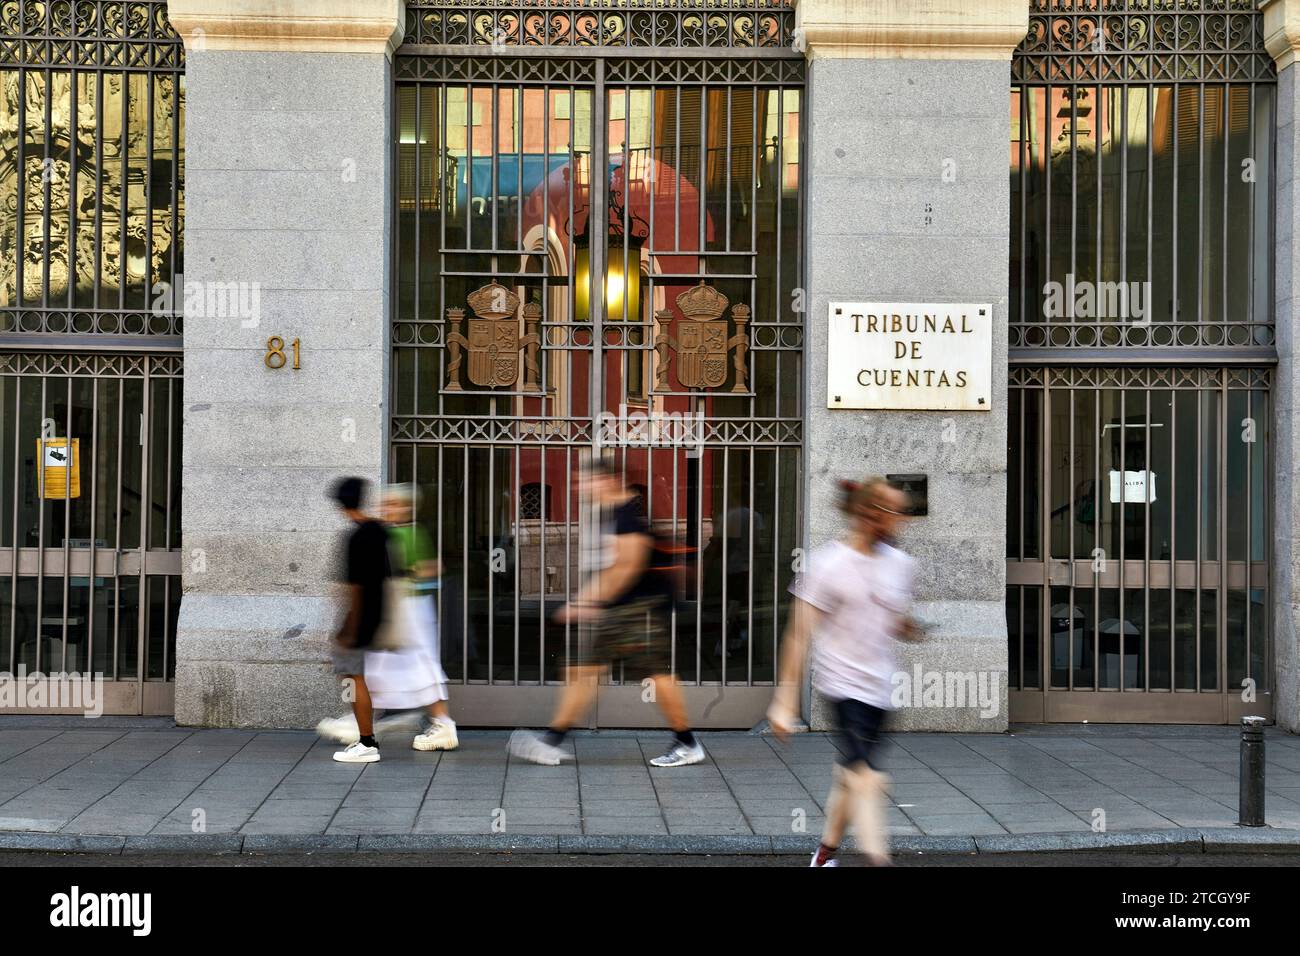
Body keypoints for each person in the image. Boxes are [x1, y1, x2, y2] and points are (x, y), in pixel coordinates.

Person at [508, 457, 705, 768]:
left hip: (636, 610)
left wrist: (584, 603)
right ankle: (553, 740)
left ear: (608, 481)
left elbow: (625, 567)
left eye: (585, 481)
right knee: (583, 672)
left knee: (654, 675)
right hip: (624, 609)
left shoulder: (626, 516)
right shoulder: (615, 513)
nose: (580, 487)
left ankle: (687, 741)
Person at [767, 476, 920, 867]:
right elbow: (799, 635)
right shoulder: (826, 564)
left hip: (880, 690)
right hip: (842, 686)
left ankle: (824, 853)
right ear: (871, 516)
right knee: (868, 778)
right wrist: (783, 703)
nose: (902, 521)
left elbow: (891, 616)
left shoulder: (902, 565)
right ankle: (877, 856)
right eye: (896, 513)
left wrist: (906, 627)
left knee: (850, 777)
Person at [317, 484, 459, 752]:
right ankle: (367, 721)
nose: (387, 508)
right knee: (380, 667)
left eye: (394, 504)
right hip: (400, 607)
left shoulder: (409, 532)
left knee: (418, 665)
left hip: (411, 609)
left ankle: (441, 723)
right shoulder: (386, 530)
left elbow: (434, 567)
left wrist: (409, 571)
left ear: (408, 507)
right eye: (386, 503)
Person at [321, 476, 389, 764]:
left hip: (360, 619)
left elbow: (355, 587)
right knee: (357, 677)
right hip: (378, 614)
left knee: (354, 677)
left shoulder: (356, 537)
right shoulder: (379, 531)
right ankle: (365, 733)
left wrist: (349, 627)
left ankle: (366, 741)